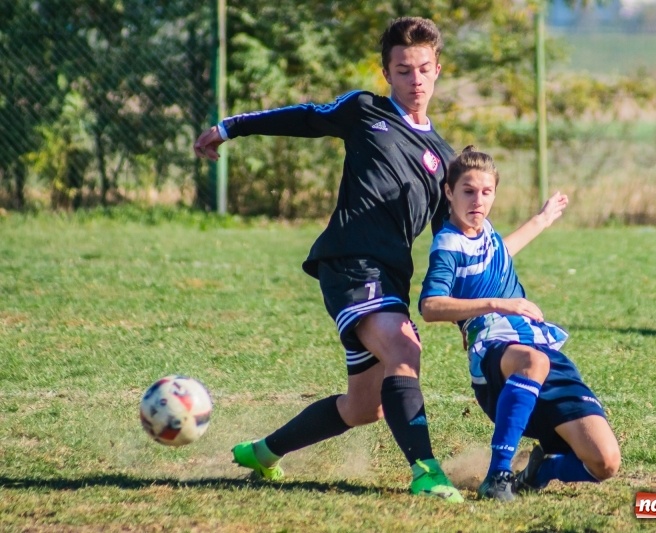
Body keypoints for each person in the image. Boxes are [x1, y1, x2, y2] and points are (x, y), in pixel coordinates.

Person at [193, 17, 463, 502]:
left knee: (364, 408)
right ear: (387, 73)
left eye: (424, 69)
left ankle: (263, 452)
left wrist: (467, 314)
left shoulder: (444, 160)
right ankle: (426, 472)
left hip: (391, 278)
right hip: (350, 263)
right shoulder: (364, 111)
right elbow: (304, 117)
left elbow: (450, 244)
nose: (415, 80)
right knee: (404, 351)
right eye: (403, 70)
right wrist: (231, 127)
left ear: (438, 70)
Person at [419, 147, 620, 501]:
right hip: (496, 351)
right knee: (533, 362)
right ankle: (498, 475)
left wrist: (542, 219)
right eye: (468, 191)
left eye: (486, 192)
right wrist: (498, 303)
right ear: (449, 192)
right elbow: (430, 306)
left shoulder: (484, 234)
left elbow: (502, 251)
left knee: (605, 463)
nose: (478, 201)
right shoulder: (448, 245)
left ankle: (542, 470)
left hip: (539, 345)